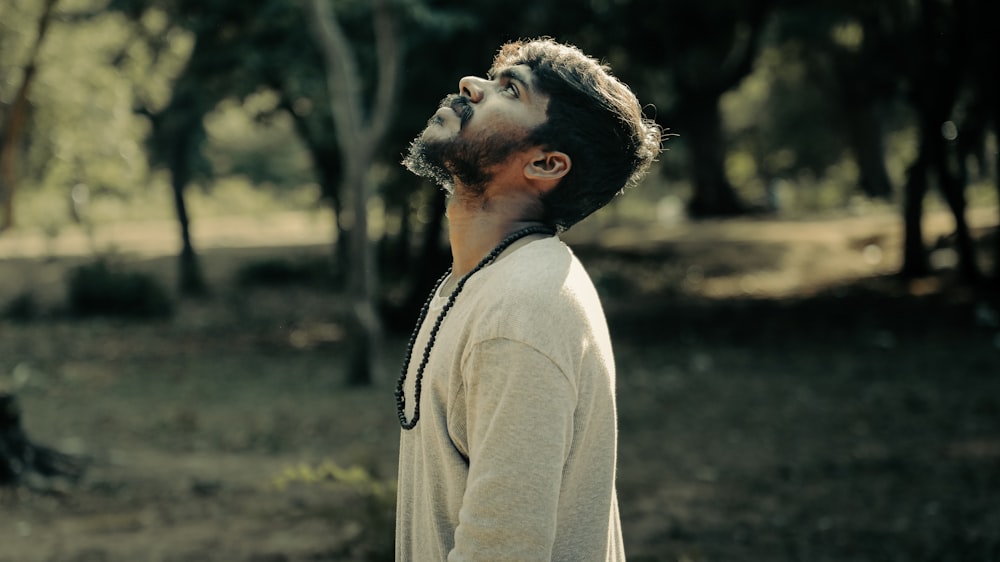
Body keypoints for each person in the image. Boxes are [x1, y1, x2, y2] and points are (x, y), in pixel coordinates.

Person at [394, 36, 664, 561]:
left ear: (545, 165)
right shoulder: (489, 282)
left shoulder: (523, 307)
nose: (469, 86)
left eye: (509, 91)